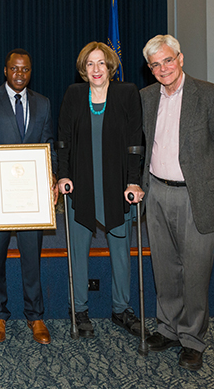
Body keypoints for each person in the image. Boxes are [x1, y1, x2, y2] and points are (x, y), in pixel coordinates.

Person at [140, 35, 214, 371]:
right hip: (156, 194)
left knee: (196, 271)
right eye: (155, 64)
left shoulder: (211, 96)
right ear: (150, 70)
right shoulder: (146, 98)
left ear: (180, 58)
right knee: (165, 269)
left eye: (167, 60)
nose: (162, 68)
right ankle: (167, 329)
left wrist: (208, 186)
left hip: (196, 196)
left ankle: (192, 339)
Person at [56, 42, 144, 339]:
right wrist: (63, 175)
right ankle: (79, 309)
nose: (96, 69)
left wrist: (134, 180)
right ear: (84, 69)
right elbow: (64, 139)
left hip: (118, 185)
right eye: (90, 64)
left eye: (101, 63)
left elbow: (135, 142)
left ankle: (121, 309)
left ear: (110, 67)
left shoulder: (126, 93)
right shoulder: (74, 94)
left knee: (121, 252)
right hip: (80, 185)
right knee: (78, 252)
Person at [0, 49, 56, 345]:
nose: (20, 74)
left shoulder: (43, 103)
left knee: (32, 257)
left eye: (26, 69)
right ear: (5, 70)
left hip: (31, 199)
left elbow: (47, 146)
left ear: (31, 72)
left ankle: (35, 315)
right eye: (14, 69)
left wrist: (52, 176)